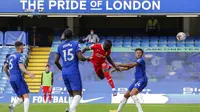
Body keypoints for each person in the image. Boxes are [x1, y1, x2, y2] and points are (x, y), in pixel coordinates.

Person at [55, 28, 90, 112]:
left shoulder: (60, 46)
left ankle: (71, 110)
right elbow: (80, 57)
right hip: (73, 71)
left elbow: (55, 61)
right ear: (72, 35)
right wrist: (88, 58)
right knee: (78, 94)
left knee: (71, 95)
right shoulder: (75, 44)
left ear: (64, 36)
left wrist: (62, 69)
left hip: (64, 72)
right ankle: (70, 109)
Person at [3, 41, 34, 112]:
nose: (23, 48)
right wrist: (28, 72)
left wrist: (9, 76)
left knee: (21, 98)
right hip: (18, 77)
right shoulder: (19, 56)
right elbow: (20, 66)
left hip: (12, 79)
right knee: (26, 96)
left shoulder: (10, 56)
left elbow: (5, 67)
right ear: (20, 47)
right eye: (23, 46)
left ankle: (12, 105)